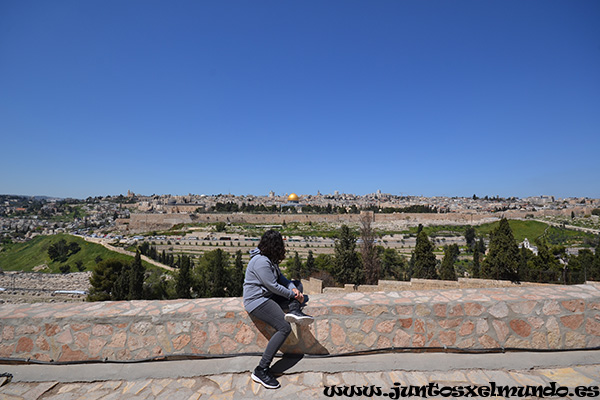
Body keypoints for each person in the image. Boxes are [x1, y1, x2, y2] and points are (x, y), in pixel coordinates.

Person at [243, 229, 314, 389]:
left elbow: (282, 279)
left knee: (297, 284)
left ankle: (295, 311)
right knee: (283, 327)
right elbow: (273, 286)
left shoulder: (269, 259)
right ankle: (261, 370)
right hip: (257, 301)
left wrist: (293, 290)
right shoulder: (261, 261)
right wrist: (293, 295)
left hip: (268, 295)